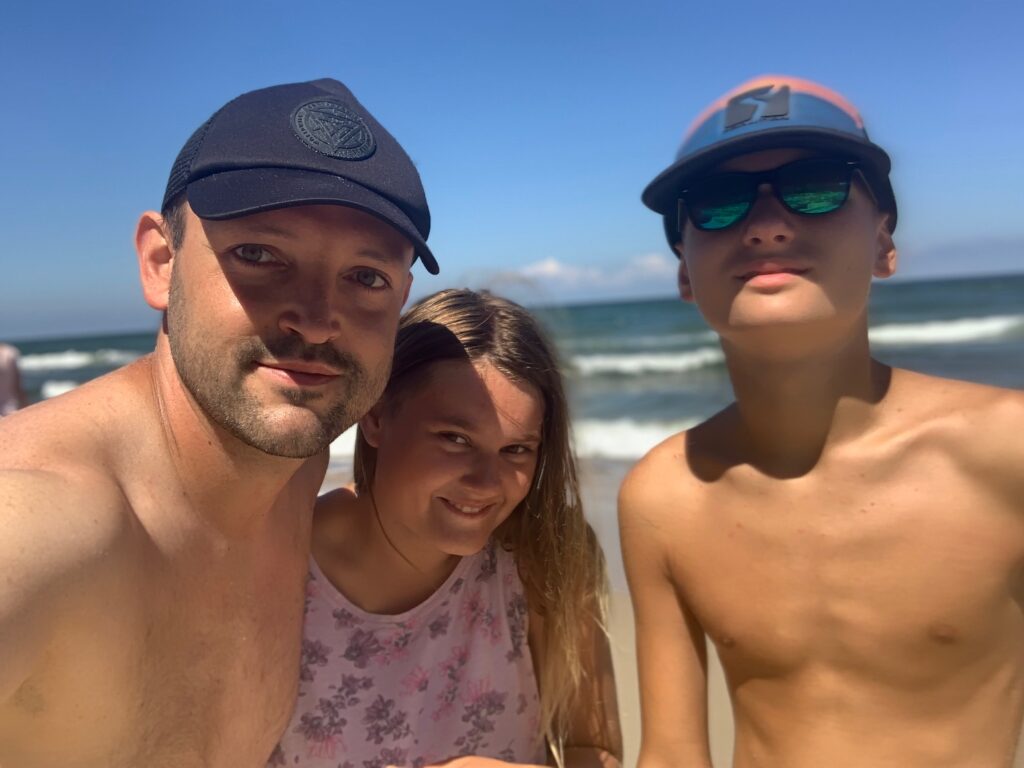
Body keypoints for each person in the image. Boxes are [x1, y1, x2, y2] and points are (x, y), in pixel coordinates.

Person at [0, 78, 439, 768]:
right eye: (259, 255)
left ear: (401, 298)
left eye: (366, 277)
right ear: (161, 261)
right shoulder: (35, 526)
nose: (316, 320)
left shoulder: (299, 471)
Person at [620, 75, 1024, 767]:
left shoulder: (1006, 448)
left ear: (884, 242)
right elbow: (671, 756)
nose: (766, 225)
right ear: (684, 271)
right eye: (718, 203)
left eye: (814, 187)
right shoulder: (664, 495)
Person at [270, 289, 622, 768]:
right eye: (455, 439)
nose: (486, 482)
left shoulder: (541, 555)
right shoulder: (274, 566)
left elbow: (595, 750)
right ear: (375, 416)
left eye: (516, 450)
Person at [0, 342, 28, 415]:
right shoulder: (10, 352)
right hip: (10, 408)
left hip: (9, 407)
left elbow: (17, 385)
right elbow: (18, 385)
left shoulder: (9, 353)